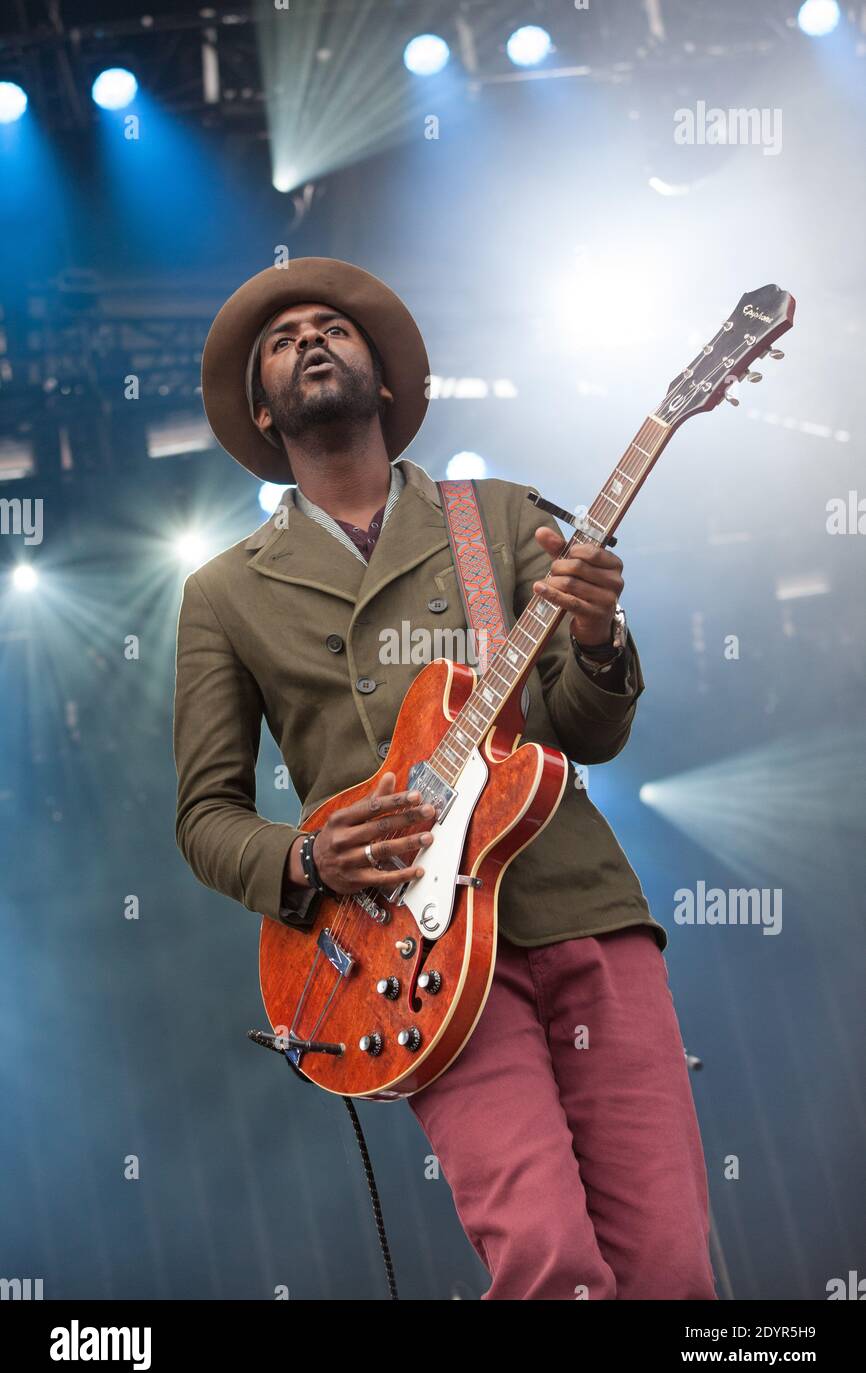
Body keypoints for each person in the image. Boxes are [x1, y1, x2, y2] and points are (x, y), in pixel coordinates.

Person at [174, 256, 717, 1300]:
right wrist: (303, 853)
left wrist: (597, 637)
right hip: (407, 959)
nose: (308, 342)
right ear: (261, 409)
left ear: (384, 380)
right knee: (548, 1260)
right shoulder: (224, 592)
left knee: (671, 1269)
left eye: (330, 327)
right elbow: (204, 815)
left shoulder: (499, 517)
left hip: (580, 911)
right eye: (282, 341)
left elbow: (579, 730)